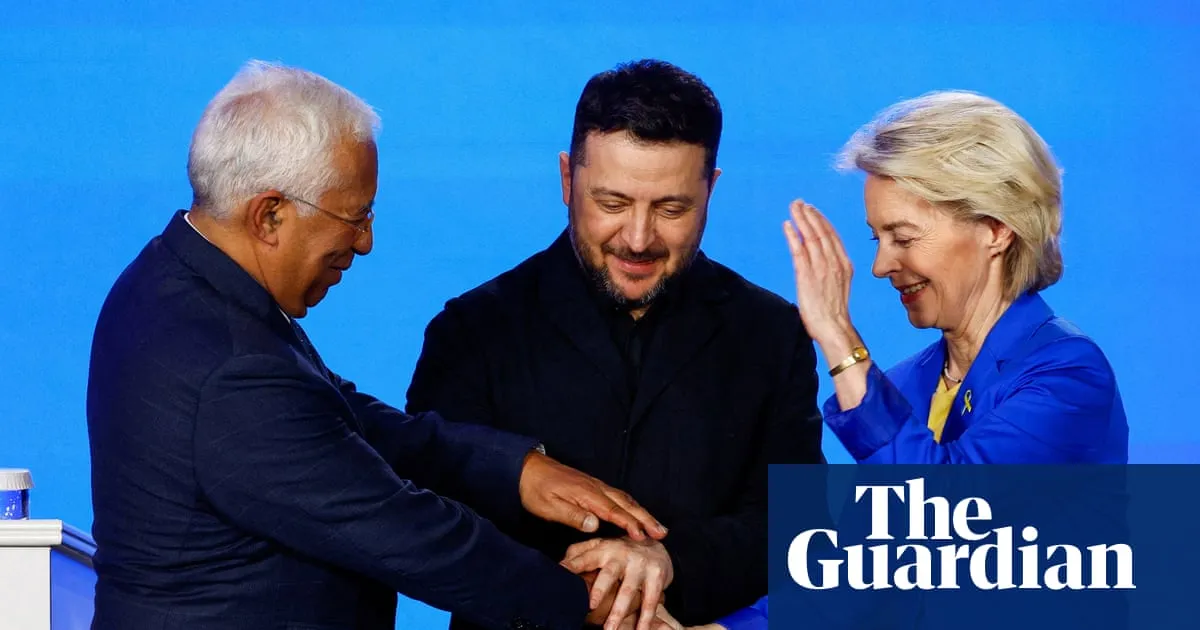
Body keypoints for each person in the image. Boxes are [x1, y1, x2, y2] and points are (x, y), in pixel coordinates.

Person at [85, 60, 674, 630]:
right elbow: (408, 533)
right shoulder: (232, 365)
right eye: (355, 215)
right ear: (269, 215)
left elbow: (339, 417)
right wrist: (584, 604)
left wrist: (513, 469)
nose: (365, 242)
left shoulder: (173, 281)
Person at [405, 59, 826, 630]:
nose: (637, 238)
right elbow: (428, 523)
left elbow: (796, 525)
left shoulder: (772, 333)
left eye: (671, 208)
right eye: (612, 203)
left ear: (712, 190)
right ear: (566, 181)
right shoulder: (471, 330)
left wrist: (668, 562)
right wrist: (584, 595)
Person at [711, 90, 1130, 629]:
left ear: (996, 228)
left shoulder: (1068, 378)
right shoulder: (908, 386)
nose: (882, 265)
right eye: (876, 238)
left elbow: (946, 511)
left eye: (902, 237)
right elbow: (856, 578)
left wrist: (840, 339)